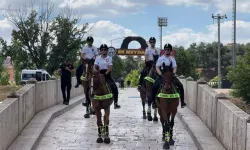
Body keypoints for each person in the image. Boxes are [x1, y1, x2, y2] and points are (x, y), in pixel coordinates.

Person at [151, 43, 187, 108]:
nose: (167, 50)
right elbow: (157, 67)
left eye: (168, 49)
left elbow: (175, 67)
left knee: (181, 86)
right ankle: (154, 102)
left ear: (170, 50)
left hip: (170, 75)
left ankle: (182, 101)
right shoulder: (161, 58)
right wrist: (160, 74)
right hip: (162, 75)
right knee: (154, 86)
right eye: (165, 49)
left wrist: (173, 73)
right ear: (164, 50)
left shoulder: (172, 58)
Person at [93, 44, 121, 109]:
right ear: (100, 51)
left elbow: (110, 67)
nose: (103, 51)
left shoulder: (109, 58)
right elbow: (94, 66)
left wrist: (105, 74)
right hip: (98, 74)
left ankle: (116, 103)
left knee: (114, 86)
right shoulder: (97, 58)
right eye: (102, 49)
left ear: (107, 50)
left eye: (105, 49)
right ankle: (92, 104)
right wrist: (96, 72)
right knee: (92, 86)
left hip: (107, 74)